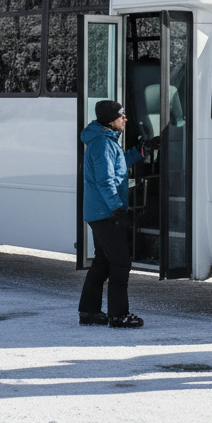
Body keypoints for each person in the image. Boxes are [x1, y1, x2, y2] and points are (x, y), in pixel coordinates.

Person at [77, 100, 145, 329]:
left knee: (103, 262)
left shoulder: (105, 141)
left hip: (100, 212)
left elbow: (118, 165)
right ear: (109, 120)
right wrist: (117, 210)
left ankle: (89, 312)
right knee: (120, 263)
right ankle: (118, 315)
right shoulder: (102, 144)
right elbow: (105, 181)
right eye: (121, 115)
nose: (125, 118)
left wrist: (141, 151)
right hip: (105, 213)